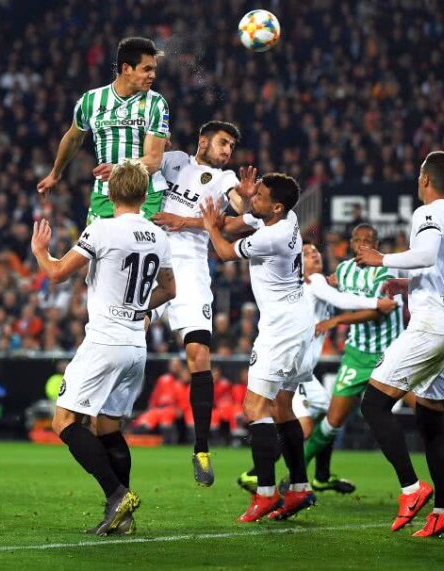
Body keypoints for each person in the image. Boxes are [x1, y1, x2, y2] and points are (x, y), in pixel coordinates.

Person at [31, 159, 176, 536]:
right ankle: (123, 517)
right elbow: (170, 290)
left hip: (104, 341)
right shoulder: (159, 236)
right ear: (145, 195)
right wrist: (142, 311)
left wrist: (39, 251)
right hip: (135, 345)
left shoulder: (101, 229)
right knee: (108, 428)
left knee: (64, 422)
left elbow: (57, 273)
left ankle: (117, 494)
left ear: (110, 193)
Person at [354, 151, 444, 537]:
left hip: (433, 324)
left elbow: (424, 255)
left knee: (373, 403)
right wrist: (408, 284)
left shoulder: (428, 213)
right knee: (429, 420)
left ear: (425, 179)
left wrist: (380, 258)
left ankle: (411, 487)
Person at [237, 243, 398, 494]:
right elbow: (339, 299)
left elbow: (338, 293)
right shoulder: (314, 281)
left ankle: (321, 475)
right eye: (308, 254)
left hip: (304, 372)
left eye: (317, 252)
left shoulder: (310, 284)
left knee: (326, 415)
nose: (315, 255)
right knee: (305, 426)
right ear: (300, 264)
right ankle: (256, 473)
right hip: (294, 369)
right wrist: (376, 303)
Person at [201, 173, 315, 522]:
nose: (255, 199)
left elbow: (222, 250)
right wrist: (240, 204)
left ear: (276, 207)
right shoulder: (288, 218)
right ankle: (298, 488)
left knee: (254, 407)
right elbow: (240, 220)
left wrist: (209, 225)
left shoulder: (272, 236)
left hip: (280, 329)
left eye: (261, 196)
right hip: (299, 321)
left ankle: (266, 493)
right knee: (282, 407)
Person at [149, 120, 255, 485]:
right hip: (152, 262)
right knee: (129, 333)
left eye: (231, 147)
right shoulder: (174, 160)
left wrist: (248, 198)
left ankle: (202, 449)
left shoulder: (225, 180)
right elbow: (142, 168)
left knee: (199, 357)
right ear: (203, 140)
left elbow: (241, 217)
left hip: (191, 272)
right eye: (223, 143)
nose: (227, 151)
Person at [301, 224, 405, 492]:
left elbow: (377, 312)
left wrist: (336, 320)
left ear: (376, 243)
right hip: (356, 356)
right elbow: (329, 286)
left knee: (426, 409)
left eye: (367, 241)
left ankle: (440, 483)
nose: (361, 245)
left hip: (391, 356)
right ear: (350, 243)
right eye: (357, 240)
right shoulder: (345, 271)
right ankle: (296, 476)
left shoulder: (387, 271)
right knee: (331, 422)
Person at [37, 37, 169, 224]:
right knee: (91, 251)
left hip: (144, 196)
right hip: (105, 195)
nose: (153, 75)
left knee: (132, 249)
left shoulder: (156, 103)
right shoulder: (91, 100)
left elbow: (153, 161)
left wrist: (117, 169)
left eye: (154, 69)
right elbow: (73, 138)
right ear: (126, 69)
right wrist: (55, 174)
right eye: (147, 69)